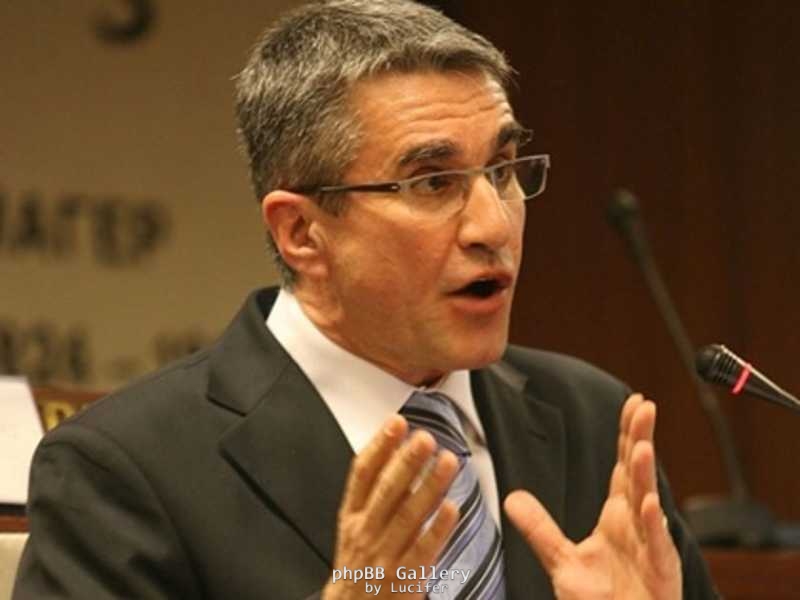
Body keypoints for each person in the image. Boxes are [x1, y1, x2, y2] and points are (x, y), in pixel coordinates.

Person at [13, 1, 717, 598]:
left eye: (503, 170)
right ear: (301, 233)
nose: (494, 226)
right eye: (433, 182)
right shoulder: (123, 470)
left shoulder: (592, 424)